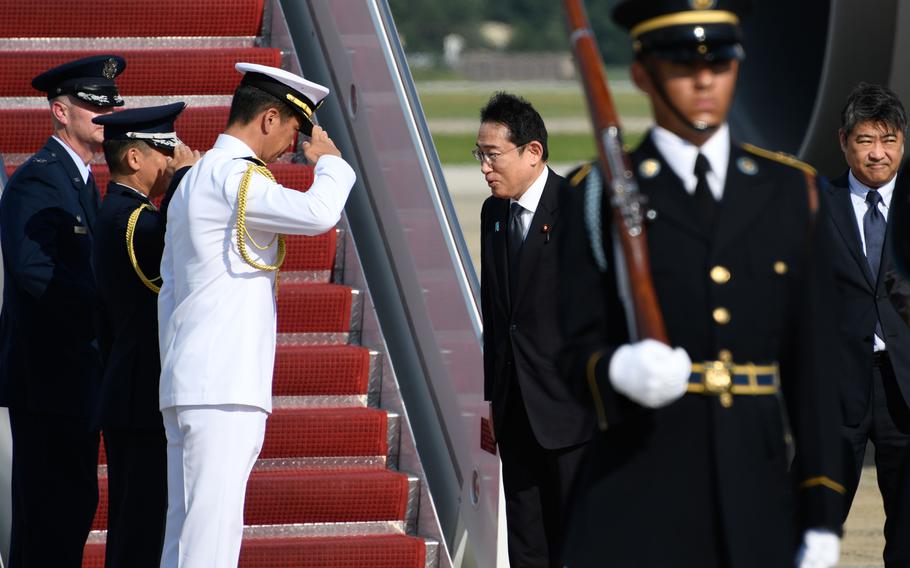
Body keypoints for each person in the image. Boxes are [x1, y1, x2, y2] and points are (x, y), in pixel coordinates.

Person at [557, 2, 845, 567]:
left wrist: (822, 519)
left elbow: (816, 372)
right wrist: (617, 370)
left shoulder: (793, 193)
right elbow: (569, 352)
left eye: (721, 64)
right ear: (643, 74)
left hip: (757, 503)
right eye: (683, 66)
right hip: (639, 494)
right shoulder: (595, 194)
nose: (705, 80)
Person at [157, 62, 355, 568]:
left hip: (196, 381)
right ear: (268, 119)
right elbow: (318, 213)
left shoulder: (198, 175)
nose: (293, 144)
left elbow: (168, 292)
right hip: (222, 386)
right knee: (211, 538)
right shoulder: (232, 175)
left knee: (188, 530)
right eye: (293, 128)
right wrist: (331, 163)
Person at [0, 54, 125, 567]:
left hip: (74, 379)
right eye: (93, 107)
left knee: (67, 510)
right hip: (48, 378)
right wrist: (102, 308)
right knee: (53, 514)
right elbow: (33, 270)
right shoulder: (40, 179)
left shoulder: (81, 180)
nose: (105, 116)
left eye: (109, 107)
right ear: (60, 112)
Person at [477, 92, 590, 567]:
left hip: (572, 415)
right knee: (527, 543)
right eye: (479, 156)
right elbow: (498, 315)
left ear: (533, 152)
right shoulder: (493, 214)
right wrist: (491, 402)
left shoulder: (581, 210)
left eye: (493, 155)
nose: (485, 168)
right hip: (516, 411)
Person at [92, 102, 201, 568]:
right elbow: (171, 268)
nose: (170, 162)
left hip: (133, 392)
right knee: (141, 526)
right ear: (135, 158)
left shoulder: (127, 212)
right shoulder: (132, 219)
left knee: (141, 522)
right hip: (140, 396)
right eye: (164, 152)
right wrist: (187, 181)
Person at [819, 82, 910, 566]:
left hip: (906, 388)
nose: (878, 154)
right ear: (843, 141)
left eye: (889, 140)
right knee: (813, 522)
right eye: (865, 141)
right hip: (835, 388)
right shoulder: (813, 203)